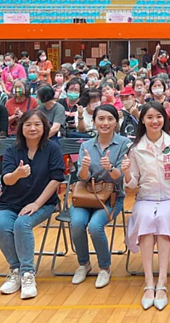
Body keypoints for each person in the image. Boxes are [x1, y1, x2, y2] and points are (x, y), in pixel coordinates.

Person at [123, 101, 170, 310]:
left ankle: (162, 282)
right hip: (146, 198)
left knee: (162, 218)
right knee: (145, 218)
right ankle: (148, 283)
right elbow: (133, 184)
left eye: (159, 117)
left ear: (165, 119)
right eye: (150, 117)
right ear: (142, 120)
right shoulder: (134, 148)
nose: (155, 121)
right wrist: (126, 172)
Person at [0, 109, 64, 299]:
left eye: (37, 124)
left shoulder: (53, 149)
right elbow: (6, 180)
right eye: (28, 124)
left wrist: (36, 204)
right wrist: (17, 174)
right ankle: (15, 270)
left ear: (44, 127)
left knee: (21, 223)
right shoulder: (12, 150)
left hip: (42, 202)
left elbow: (56, 179)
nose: (33, 128)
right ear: (20, 127)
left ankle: (27, 273)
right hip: (10, 202)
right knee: (0, 224)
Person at [70, 105, 130, 289]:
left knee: (96, 226)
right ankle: (84, 264)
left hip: (111, 196)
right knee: (77, 224)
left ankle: (104, 267)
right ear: (94, 121)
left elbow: (120, 176)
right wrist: (85, 168)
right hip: (85, 195)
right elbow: (81, 177)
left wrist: (109, 168)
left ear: (116, 122)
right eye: (101, 119)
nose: (105, 123)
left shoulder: (124, 143)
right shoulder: (86, 145)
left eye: (110, 119)